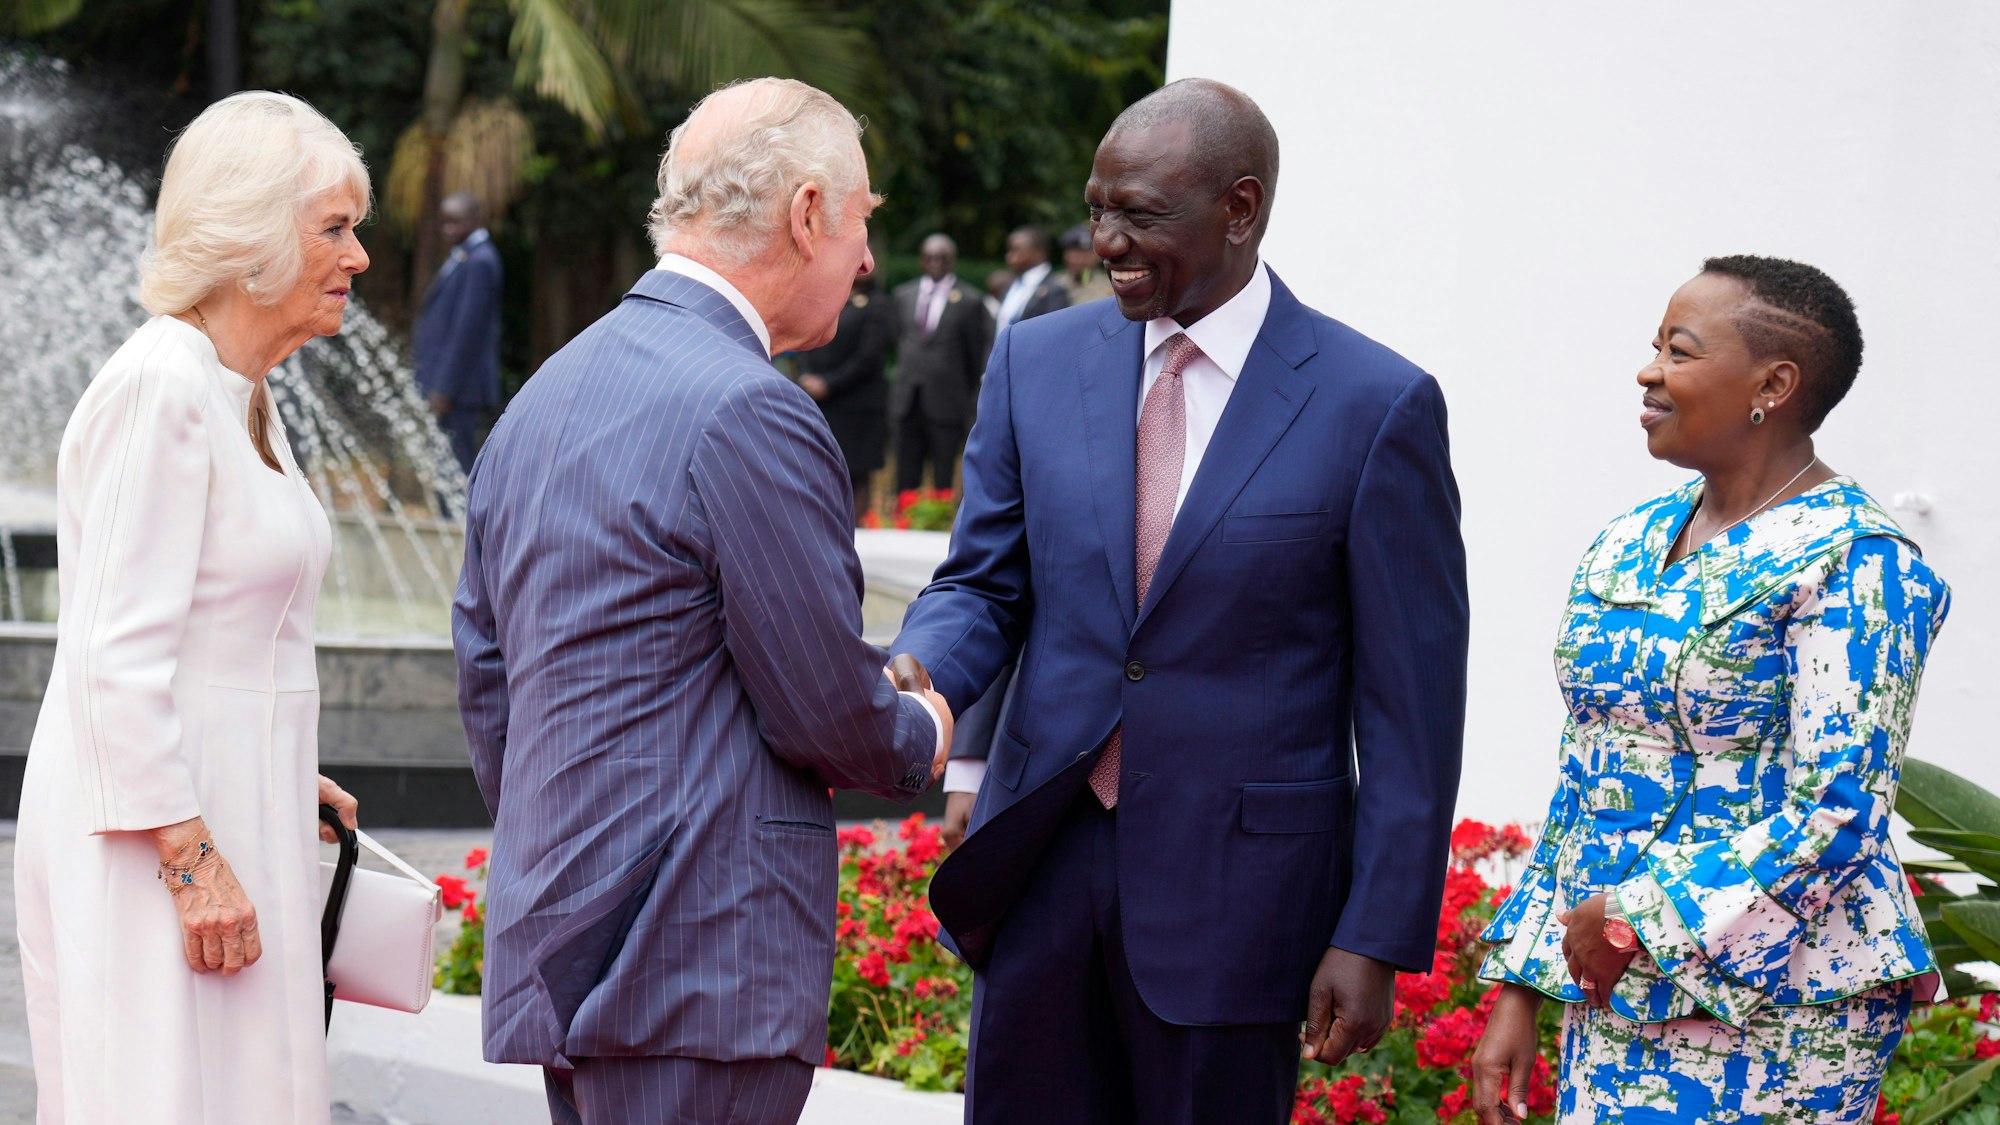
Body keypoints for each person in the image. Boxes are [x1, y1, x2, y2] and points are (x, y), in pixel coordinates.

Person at [888, 78, 1469, 1125]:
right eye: (1096, 206)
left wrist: (1374, 933)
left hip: (1238, 901)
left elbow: (1409, 708)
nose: (1104, 238)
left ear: (1238, 208)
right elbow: (983, 579)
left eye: (1140, 213)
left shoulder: (1374, 405)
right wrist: (924, 667)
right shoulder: (1034, 360)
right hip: (1040, 865)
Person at [453, 78, 955, 1125]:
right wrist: (921, 725)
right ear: (807, 212)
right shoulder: (748, 410)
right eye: (862, 221)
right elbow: (823, 708)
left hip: (577, 954)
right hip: (699, 964)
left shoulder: (541, 396)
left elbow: (489, 684)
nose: (869, 261)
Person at [1470, 257, 1952, 1125]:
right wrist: (1523, 985)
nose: (1648, 371)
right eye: (1654, 346)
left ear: (1773, 383)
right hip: (1610, 994)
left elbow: (1838, 809)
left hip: (1781, 1012)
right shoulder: (1629, 541)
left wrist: (1637, 920)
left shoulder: (1855, 559)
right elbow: (1592, 772)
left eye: (1680, 351)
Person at [13, 90, 366, 1124]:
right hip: (154, 834)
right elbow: (112, 657)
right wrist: (193, 859)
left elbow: (223, 632)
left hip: (210, 803)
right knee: (162, 1093)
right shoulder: (161, 385)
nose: (357, 260)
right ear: (250, 236)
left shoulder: (241, 389)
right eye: (335, 230)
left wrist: (273, 762)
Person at [891, 233, 992, 494]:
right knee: (905, 475)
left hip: (946, 402)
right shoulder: (904, 295)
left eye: (942, 257)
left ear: (952, 260)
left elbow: (975, 353)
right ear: (921, 261)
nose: (935, 262)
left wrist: (968, 396)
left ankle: (939, 525)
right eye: (929, 257)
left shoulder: (969, 300)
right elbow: (898, 339)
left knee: (943, 475)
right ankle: (904, 526)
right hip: (908, 399)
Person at [413, 191, 503, 473]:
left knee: (455, 466)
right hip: (449, 386)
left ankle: (457, 518)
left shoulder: (480, 262)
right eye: (445, 222)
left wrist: (444, 388)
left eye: (456, 222)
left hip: (458, 390)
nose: (448, 229)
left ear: (476, 220)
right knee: (443, 463)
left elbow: (467, 331)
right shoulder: (464, 256)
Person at [797, 271, 894, 523]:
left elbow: (868, 357)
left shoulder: (878, 305)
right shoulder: (825, 296)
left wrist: (828, 383)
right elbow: (806, 335)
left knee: (856, 472)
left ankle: (856, 533)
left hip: (857, 404)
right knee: (817, 471)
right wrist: (807, 375)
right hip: (820, 404)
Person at [993, 223, 1071, 332]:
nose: (1009, 256)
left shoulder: (1055, 291)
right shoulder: (1010, 285)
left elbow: (1052, 333)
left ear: (1039, 253)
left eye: (1016, 250)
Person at [1059, 222, 1114, 304]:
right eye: (1074, 255)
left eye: (1085, 256)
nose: (1078, 261)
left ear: (1097, 256)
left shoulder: (1110, 289)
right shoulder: (1054, 284)